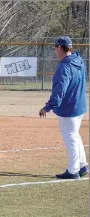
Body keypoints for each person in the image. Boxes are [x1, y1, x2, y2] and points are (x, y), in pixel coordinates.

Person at [39, 36, 88, 179]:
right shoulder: (78, 60)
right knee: (75, 136)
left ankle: (73, 171)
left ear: (60, 48)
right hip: (79, 106)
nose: (54, 50)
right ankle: (83, 165)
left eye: (55, 48)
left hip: (68, 109)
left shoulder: (64, 66)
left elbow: (60, 91)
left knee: (70, 137)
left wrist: (47, 107)